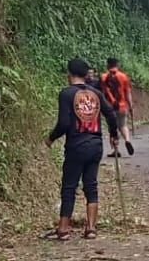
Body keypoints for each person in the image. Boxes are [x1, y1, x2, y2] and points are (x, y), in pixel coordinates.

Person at [44, 58, 119, 241]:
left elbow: (63, 123)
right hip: (95, 146)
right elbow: (110, 113)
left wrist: (51, 137)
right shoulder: (96, 93)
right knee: (91, 185)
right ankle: (91, 228)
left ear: (69, 74)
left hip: (76, 146)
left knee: (69, 186)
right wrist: (113, 135)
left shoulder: (66, 94)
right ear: (86, 74)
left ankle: (63, 229)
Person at [100, 57, 134, 157]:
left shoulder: (103, 77)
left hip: (109, 107)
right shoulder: (123, 77)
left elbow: (102, 93)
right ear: (117, 65)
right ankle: (127, 140)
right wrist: (131, 106)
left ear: (107, 65)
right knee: (123, 125)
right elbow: (128, 93)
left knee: (112, 128)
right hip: (122, 106)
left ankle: (116, 150)